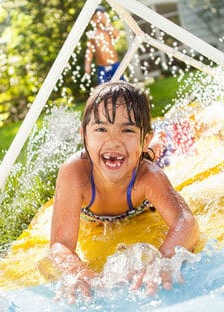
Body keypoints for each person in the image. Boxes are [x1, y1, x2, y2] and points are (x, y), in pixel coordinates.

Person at [48, 81, 200, 303]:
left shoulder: (147, 176)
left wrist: (162, 260)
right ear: (84, 136)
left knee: (155, 153)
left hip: (143, 159)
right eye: (101, 129)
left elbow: (186, 221)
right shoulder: (75, 174)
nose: (113, 141)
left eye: (127, 130)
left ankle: (161, 138)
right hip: (135, 156)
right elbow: (59, 245)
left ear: (142, 138)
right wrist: (81, 273)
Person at [84, 6, 124, 84]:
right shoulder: (92, 35)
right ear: (92, 20)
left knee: (121, 86)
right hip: (102, 67)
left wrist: (106, 22)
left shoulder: (108, 31)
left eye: (100, 17)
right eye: (95, 18)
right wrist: (87, 65)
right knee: (103, 90)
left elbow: (117, 35)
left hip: (115, 64)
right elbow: (89, 51)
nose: (98, 20)